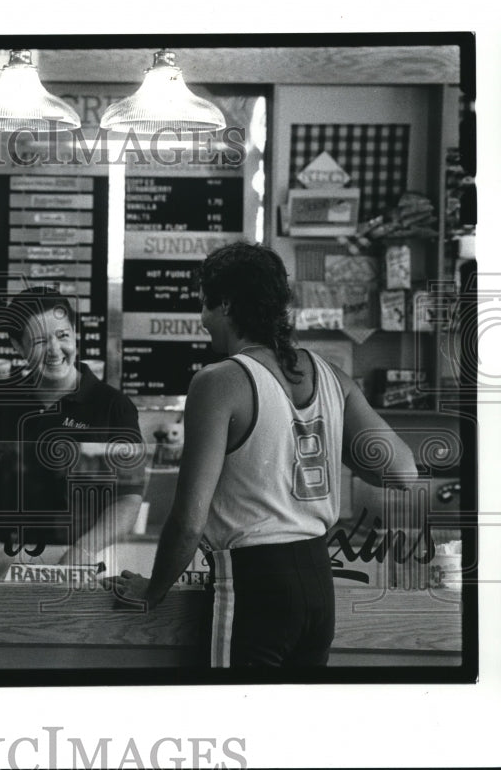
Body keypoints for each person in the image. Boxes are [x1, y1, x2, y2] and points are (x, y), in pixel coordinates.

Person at [114, 242, 417, 667]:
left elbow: (188, 521)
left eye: (203, 305)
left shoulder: (219, 382)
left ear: (225, 304)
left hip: (254, 586)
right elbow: (401, 471)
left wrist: (154, 589)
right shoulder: (331, 375)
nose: (202, 321)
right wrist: (327, 439)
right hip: (317, 584)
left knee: (240, 722)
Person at [0, 286, 145, 579]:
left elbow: (128, 500)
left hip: (87, 560)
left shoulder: (114, 407)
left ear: (75, 334)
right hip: (4, 565)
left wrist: (83, 551)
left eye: (63, 336)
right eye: (39, 341)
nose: (55, 350)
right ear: (18, 346)